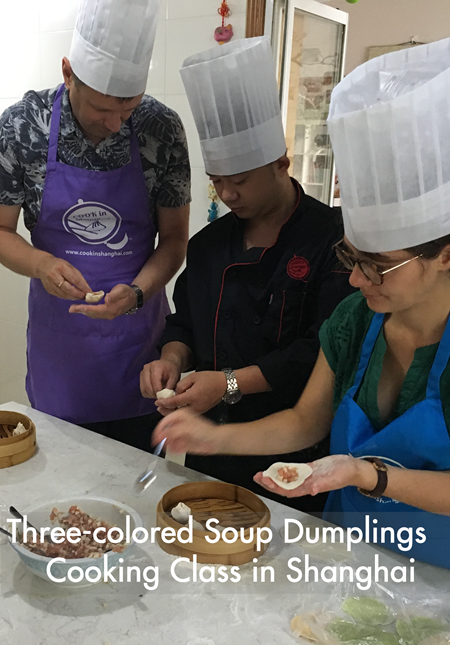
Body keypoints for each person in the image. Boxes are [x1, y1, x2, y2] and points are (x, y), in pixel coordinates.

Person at [152, 37, 450, 569]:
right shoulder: (357, 319)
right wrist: (212, 437)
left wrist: (369, 475)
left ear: (445, 256)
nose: (356, 280)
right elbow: (305, 422)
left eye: (377, 266)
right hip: (346, 548)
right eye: (351, 259)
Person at [141, 37, 354, 513]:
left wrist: (230, 382)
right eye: (218, 181)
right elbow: (185, 322)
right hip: (209, 445)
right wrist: (172, 360)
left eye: (239, 180)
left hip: (294, 451)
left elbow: (320, 349)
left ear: (282, 163)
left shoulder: (333, 239)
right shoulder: (209, 244)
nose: (228, 194)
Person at [0, 0, 190, 449]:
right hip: (59, 352)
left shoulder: (160, 128)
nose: (115, 122)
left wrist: (139, 292)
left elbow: (176, 240)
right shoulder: (22, 127)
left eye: (128, 108)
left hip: (139, 354)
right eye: (102, 109)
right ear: (68, 73)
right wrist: (42, 264)